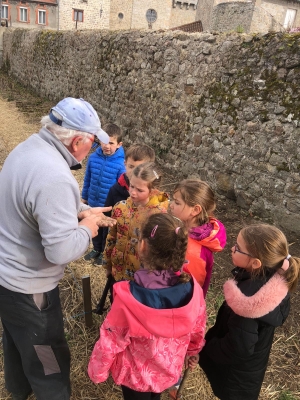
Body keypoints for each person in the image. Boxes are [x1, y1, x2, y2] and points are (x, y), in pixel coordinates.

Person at [0, 97, 116, 400]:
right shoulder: (54, 175)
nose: (90, 151)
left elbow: (37, 199)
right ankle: (53, 394)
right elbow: (61, 251)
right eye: (91, 144)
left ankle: (18, 389)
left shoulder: (30, 149)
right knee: (45, 350)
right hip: (31, 290)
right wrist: (87, 229)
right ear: (77, 140)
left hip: (8, 279)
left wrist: (80, 209)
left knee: (17, 340)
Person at [88, 213, 207, 400]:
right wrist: (193, 351)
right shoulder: (193, 290)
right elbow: (198, 327)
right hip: (167, 369)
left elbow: (110, 340)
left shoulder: (128, 298)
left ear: (142, 246)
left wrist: (98, 372)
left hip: (135, 376)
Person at [199, 224, 300, 400]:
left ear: (256, 263)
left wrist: (208, 346)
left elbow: (238, 347)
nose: (232, 248)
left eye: (238, 248)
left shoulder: (247, 303)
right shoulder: (274, 281)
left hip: (233, 378)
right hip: (249, 372)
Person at [102, 162, 169, 283]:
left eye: (139, 190)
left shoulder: (158, 217)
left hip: (140, 279)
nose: (133, 192)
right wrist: (107, 264)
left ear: (153, 191)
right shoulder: (120, 208)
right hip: (117, 272)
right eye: (131, 186)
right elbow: (111, 237)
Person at [169, 179, 226, 297]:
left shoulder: (193, 252)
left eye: (177, 202)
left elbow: (190, 288)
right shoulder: (183, 228)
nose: (171, 205)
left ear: (195, 210)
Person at [82, 123, 126, 265]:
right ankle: (96, 249)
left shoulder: (121, 165)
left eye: (111, 143)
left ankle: (104, 253)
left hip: (108, 206)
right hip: (93, 202)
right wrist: (84, 197)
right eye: (104, 141)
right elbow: (88, 178)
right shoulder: (93, 159)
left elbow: (120, 188)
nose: (107, 146)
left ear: (119, 144)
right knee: (94, 227)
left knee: (106, 233)